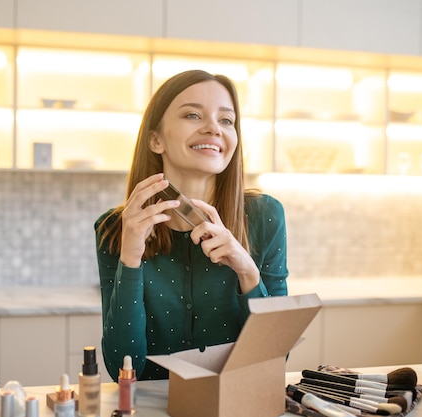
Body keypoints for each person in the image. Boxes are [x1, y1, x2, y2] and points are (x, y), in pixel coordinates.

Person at [94, 69, 288, 381]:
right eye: (193, 115)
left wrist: (247, 271)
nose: (213, 128)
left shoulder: (266, 215)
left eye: (226, 120)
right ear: (156, 140)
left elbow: (276, 356)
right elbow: (123, 369)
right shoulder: (115, 228)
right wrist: (130, 258)